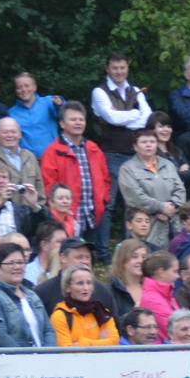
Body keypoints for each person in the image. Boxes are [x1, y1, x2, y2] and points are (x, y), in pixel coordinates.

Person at [40, 101, 112, 261]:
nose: (78, 123)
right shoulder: (53, 152)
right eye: (73, 119)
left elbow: (106, 178)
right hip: (67, 215)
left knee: (87, 258)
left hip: (92, 212)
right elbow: (48, 184)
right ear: (62, 124)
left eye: (81, 119)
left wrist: (104, 199)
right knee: (68, 257)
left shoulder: (93, 148)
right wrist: (60, 209)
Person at [90, 51, 152, 191]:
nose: (119, 72)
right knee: (108, 202)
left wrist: (122, 117)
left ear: (127, 68)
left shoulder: (136, 90)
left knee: (136, 202)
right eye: (115, 68)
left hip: (136, 154)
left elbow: (148, 118)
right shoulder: (99, 92)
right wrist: (136, 113)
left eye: (122, 68)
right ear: (107, 69)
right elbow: (112, 118)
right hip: (111, 154)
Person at [0, 241, 54, 347]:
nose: (17, 267)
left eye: (20, 262)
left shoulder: (32, 295)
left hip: (42, 360)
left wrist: (47, 354)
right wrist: (24, 358)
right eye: (11, 263)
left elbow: (48, 330)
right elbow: (0, 335)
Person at [46, 263, 119, 346]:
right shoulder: (60, 316)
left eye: (89, 283)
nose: (86, 288)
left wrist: (83, 344)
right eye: (80, 283)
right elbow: (66, 352)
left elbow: (114, 342)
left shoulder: (102, 311)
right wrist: (100, 343)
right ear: (67, 288)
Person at [7, 72, 63, 158]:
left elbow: (64, 114)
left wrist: (59, 104)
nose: (23, 90)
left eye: (27, 86)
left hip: (53, 156)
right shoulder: (11, 113)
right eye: (19, 87)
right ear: (16, 90)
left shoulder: (48, 102)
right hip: (28, 160)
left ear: (34, 87)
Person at [139, 250, 182, 324]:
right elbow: (177, 329)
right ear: (161, 272)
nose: (178, 276)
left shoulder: (165, 296)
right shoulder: (152, 300)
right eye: (175, 271)